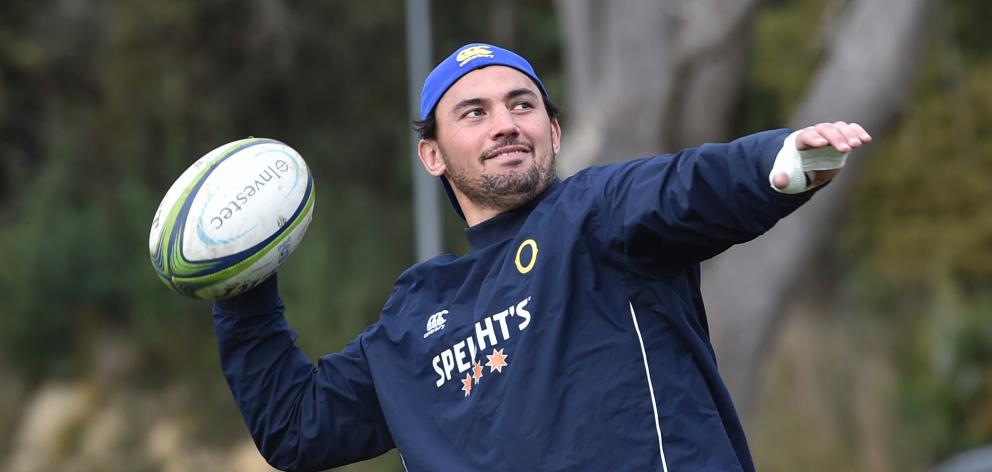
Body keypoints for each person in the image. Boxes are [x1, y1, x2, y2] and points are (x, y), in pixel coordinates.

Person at [212, 43, 871, 471]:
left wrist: (777, 166)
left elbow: (684, 188)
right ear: (432, 155)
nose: (504, 122)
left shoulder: (596, 214)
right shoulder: (414, 316)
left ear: (552, 131)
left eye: (521, 105)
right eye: (473, 112)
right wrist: (239, 282)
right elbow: (296, 425)